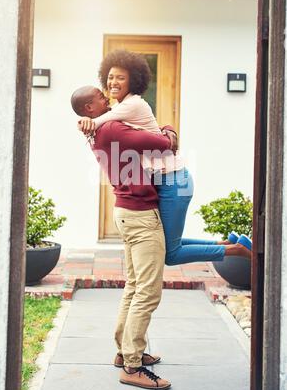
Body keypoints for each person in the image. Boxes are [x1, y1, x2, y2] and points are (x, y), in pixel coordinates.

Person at [76, 49, 252, 265]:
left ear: (133, 80)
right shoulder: (123, 107)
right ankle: (227, 244)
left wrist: (87, 123)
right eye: (111, 77)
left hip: (173, 180)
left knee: (170, 253)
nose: (113, 82)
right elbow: (147, 129)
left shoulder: (132, 104)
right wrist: (168, 130)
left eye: (121, 77)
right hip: (165, 179)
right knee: (166, 242)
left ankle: (236, 250)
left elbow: (107, 120)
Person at [71, 85, 173, 390]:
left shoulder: (97, 130)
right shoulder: (112, 128)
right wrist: (169, 128)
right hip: (141, 215)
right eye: (101, 97)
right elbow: (163, 144)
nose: (109, 97)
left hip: (125, 211)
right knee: (148, 292)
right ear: (90, 108)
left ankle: (125, 351)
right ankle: (132, 365)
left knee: (134, 286)